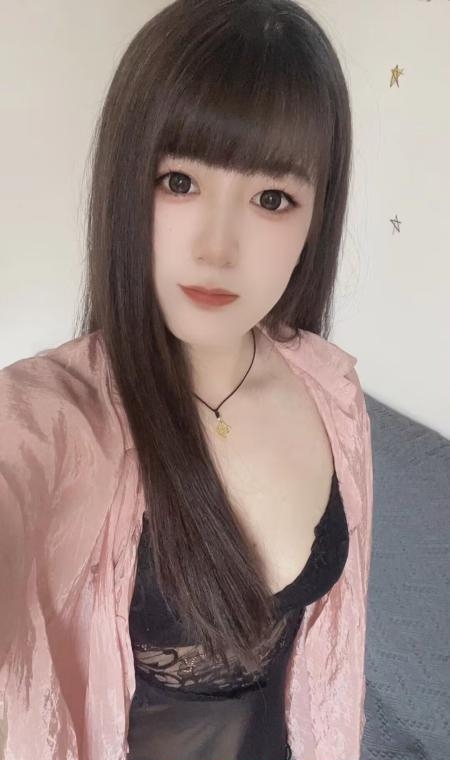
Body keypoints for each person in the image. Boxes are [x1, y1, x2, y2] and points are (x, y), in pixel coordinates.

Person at [0, 1, 374, 758]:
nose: (216, 248)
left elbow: (332, 665)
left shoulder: (333, 391)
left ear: (316, 218)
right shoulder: (54, 415)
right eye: (178, 181)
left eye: (271, 199)